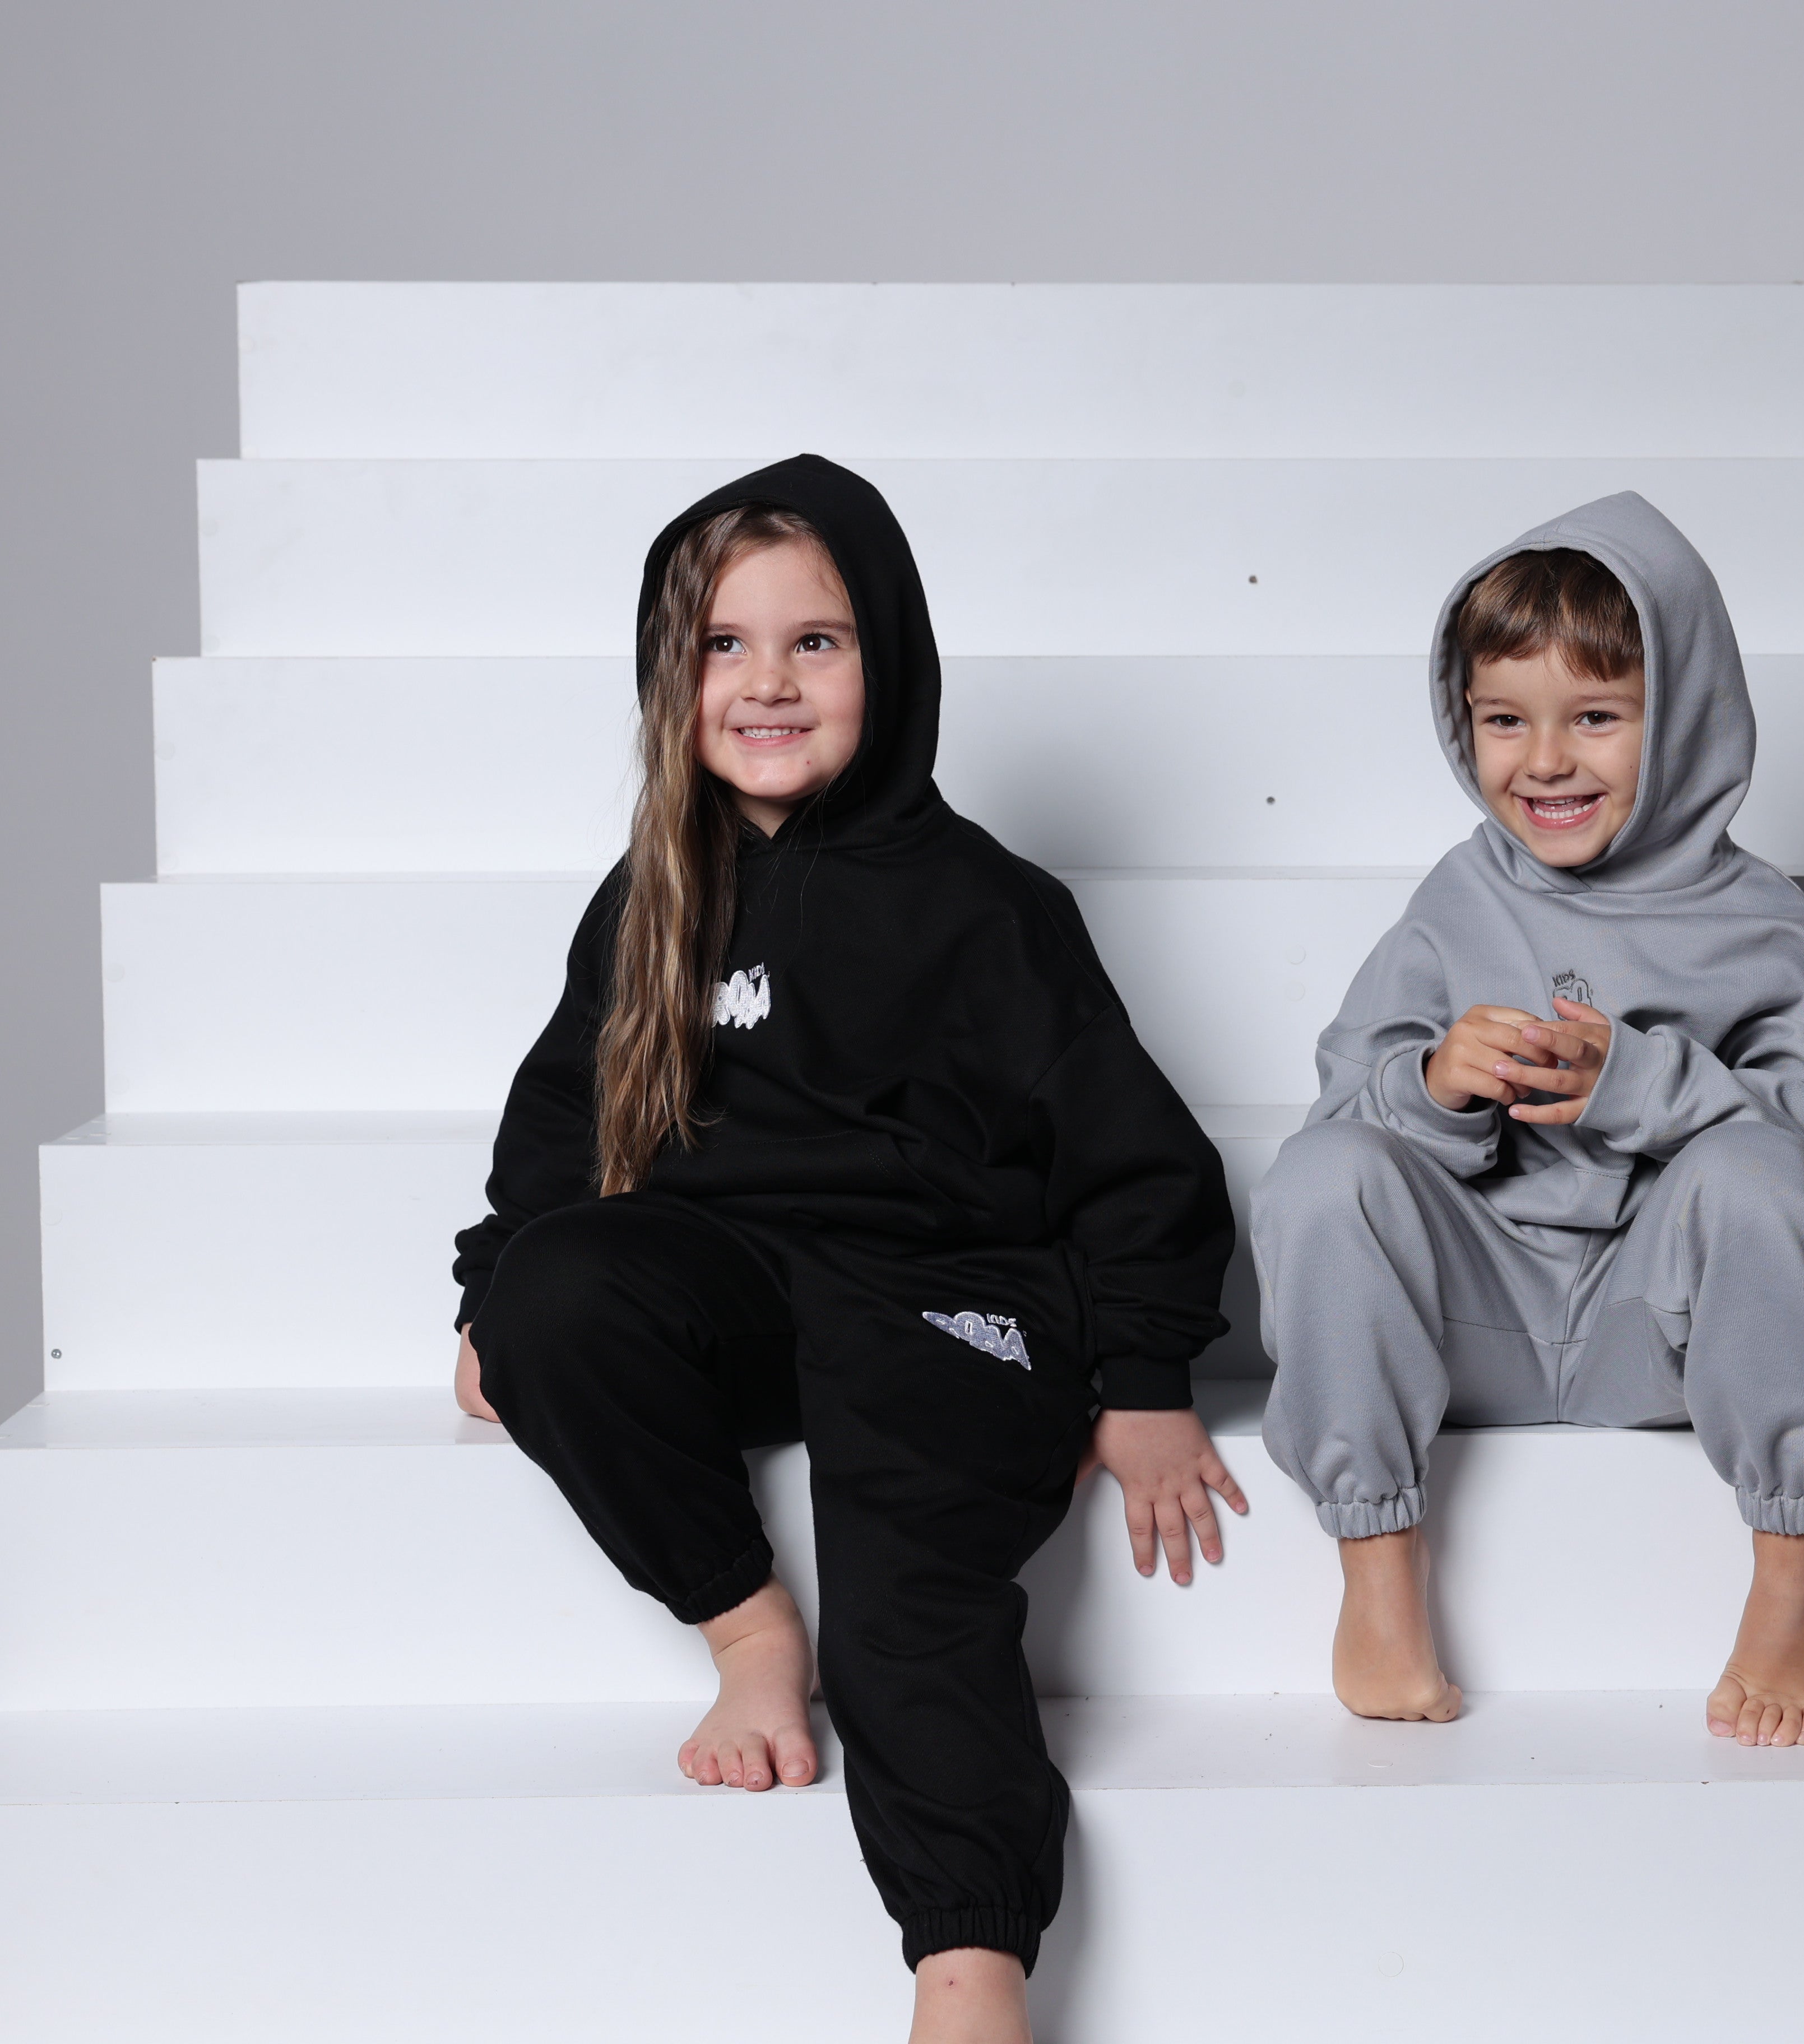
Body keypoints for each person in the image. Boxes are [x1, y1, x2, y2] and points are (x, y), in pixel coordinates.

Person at [449, 456, 1245, 2044]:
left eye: (814, 642)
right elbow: (558, 1123)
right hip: (742, 1290)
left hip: (951, 1300)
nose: (767, 682)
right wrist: (501, 1291)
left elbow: (1135, 1156)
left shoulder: (986, 905)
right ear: (669, 679)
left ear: (890, 658)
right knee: (555, 1292)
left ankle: (970, 1966)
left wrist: (1145, 1375)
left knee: (907, 1594)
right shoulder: (652, 898)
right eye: (723, 646)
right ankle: (750, 1633)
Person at [1250, 491, 1804, 1748]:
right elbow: (1343, 1112)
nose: (1547, 761)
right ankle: (1378, 1568)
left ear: (1683, 721)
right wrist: (1434, 1088)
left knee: (1754, 1173)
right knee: (1323, 1171)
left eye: (1597, 718)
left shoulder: (1757, 917)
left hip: (1664, 1333)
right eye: (1505, 719)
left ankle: (1796, 1569)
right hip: (1469, 1323)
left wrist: (1650, 1088)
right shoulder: (1458, 899)